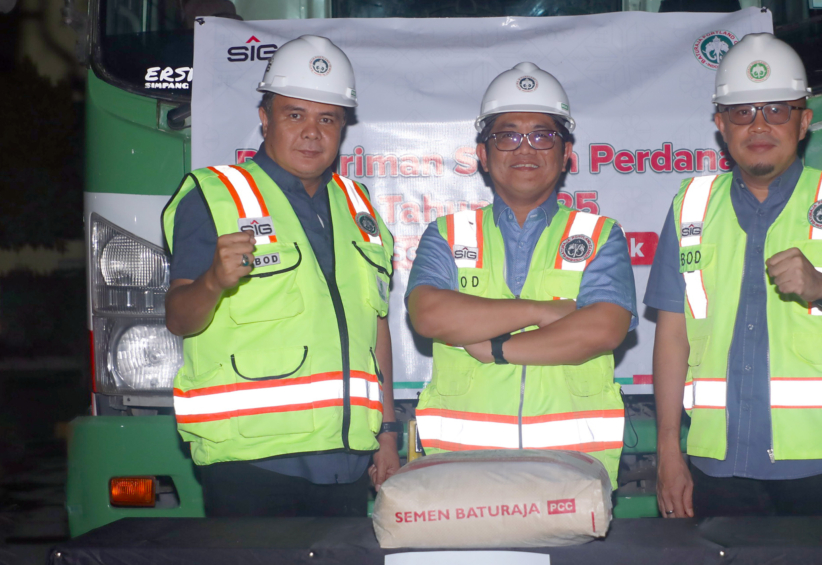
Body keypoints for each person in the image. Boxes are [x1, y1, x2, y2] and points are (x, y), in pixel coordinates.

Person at [646, 33, 822, 518]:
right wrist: (668, 450)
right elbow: (672, 336)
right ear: (721, 125)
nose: (759, 125)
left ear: (803, 122)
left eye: (777, 110)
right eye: (742, 112)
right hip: (718, 465)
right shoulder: (690, 207)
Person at [162, 35, 401, 517]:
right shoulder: (214, 196)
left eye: (327, 118)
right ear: (265, 118)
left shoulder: (359, 207)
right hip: (252, 462)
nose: (312, 133)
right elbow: (179, 319)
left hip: (346, 461)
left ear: (342, 127)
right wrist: (212, 282)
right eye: (295, 115)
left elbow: (375, 326)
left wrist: (388, 432)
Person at [406, 62, 636, 487]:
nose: (525, 149)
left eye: (542, 136)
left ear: (566, 154)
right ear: (483, 155)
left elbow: (603, 329)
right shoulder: (447, 234)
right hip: (461, 475)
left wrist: (497, 348)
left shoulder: (600, 235)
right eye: (508, 136)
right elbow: (430, 315)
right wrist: (542, 311)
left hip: (573, 474)